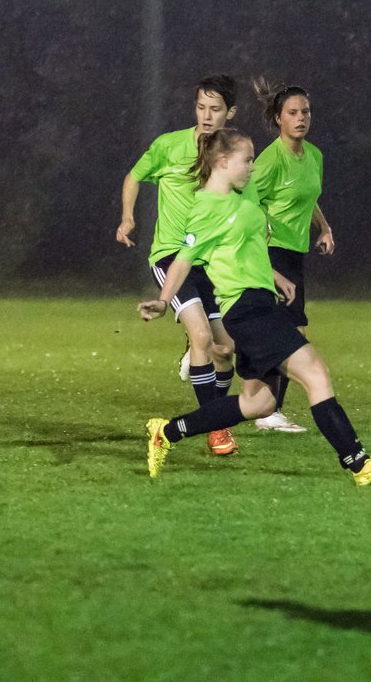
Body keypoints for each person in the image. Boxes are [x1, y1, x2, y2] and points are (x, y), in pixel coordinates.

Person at [138, 127, 371, 486]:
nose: (252, 166)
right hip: (247, 310)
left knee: (258, 403)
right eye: (246, 160)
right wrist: (162, 300)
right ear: (222, 161)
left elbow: (248, 245)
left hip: (260, 302)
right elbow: (184, 259)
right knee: (315, 373)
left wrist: (276, 276)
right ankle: (360, 464)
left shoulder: (242, 194)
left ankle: (167, 432)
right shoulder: (205, 207)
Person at [117, 75, 241, 456]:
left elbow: (244, 202)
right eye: (201, 107)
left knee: (226, 349)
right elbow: (134, 176)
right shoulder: (169, 145)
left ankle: (211, 408)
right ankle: (215, 427)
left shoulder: (232, 154)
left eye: (215, 109)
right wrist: (127, 218)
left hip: (213, 263)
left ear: (230, 113)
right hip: (172, 256)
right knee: (204, 338)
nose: (206, 116)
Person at [247, 78, 335, 433]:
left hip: (295, 253)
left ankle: (262, 406)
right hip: (271, 253)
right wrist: (260, 245)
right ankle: (267, 411)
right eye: (293, 113)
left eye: (306, 112)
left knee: (286, 331)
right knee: (286, 332)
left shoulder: (314, 156)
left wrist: (325, 228)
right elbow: (246, 204)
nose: (301, 118)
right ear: (278, 119)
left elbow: (307, 196)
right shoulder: (270, 160)